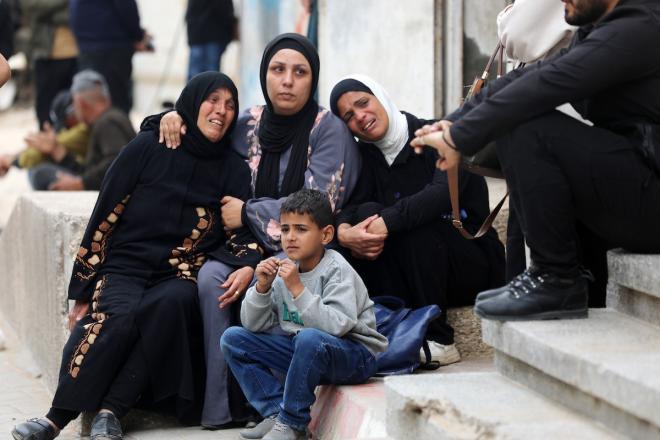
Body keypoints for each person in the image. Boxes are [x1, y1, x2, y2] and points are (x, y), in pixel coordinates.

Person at [11, 71, 263, 440]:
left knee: (173, 305)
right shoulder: (151, 145)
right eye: (212, 100)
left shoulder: (233, 169)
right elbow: (105, 214)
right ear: (192, 103)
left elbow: (242, 234)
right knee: (119, 315)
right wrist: (83, 287)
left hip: (180, 273)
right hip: (125, 266)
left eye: (229, 105)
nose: (221, 111)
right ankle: (55, 418)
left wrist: (248, 264)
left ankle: (111, 411)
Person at [154, 33, 360, 428]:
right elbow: (203, 136)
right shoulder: (247, 122)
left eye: (299, 72)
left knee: (280, 275)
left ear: (313, 79)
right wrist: (169, 118)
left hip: (304, 247)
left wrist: (248, 212)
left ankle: (280, 403)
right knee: (212, 278)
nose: (287, 81)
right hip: (243, 246)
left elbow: (320, 205)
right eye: (277, 70)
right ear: (265, 75)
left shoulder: (327, 130)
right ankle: (221, 406)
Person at [411, 0, 660, 321]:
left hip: (650, 193)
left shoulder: (641, 27)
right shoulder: (602, 29)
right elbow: (527, 77)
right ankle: (555, 277)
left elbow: (547, 83)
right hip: (640, 182)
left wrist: (457, 138)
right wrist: (452, 123)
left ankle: (556, 278)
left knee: (525, 125)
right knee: (521, 116)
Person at [330, 74, 504, 365]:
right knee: (361, 221)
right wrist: (345, 232)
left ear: (380, 96)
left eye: (363, 103)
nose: (359, 116)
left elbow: (439, 195)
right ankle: (381, 327)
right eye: (348, 116)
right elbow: (350, 205)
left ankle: (439, 338)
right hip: (412, 273)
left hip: (469, 262)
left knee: (416, 227)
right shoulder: (365, 157)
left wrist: (386, 222)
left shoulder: (439, 134)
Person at [221, 188, 387, 440]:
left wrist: (298, 289)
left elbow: (337, 326)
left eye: (301, 229)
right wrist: (262, 288)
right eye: (285, 229)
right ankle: (275, 413)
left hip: (355, 355)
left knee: (309, 338)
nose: (290, 237)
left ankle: (293, 422)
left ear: (326, 234)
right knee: (233, 339)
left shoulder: (336, 268)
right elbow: (253, 325)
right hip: (309, 351)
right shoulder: (284, 271)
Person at [29, 69, 134, 191]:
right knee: (38, 170)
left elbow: (117, 161)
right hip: (102, 184)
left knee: (39, 173)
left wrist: (81, 183)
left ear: (80, 103)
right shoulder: (109, 118)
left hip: (116, 191)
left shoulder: (107, 122)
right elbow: (89, 171)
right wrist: (60, 153)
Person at [69, 0, 153, 114]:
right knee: (116, 104)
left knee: (91, 103)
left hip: (87, 46)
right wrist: (138, 37)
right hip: (111, 47)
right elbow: (127, 8)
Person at [0, 90, 90, 181]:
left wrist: (10, 161)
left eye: (66, 123)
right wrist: (12, 157)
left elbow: (37, 152)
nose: (66, 128)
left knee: (38, 172)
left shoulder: (83, 129)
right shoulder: (80, 126)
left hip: (88, 176)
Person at [23, 0, 79, 129]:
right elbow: (32, 8)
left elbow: (82, 13)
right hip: (47, 55)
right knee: (46, 112)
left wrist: (51, 16)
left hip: (78, 54)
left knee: (75, 109)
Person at [186, 0, 236, 81]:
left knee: (200, 75)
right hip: (210, 36)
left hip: (203, 35)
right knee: (209, 76)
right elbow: (226, 10)